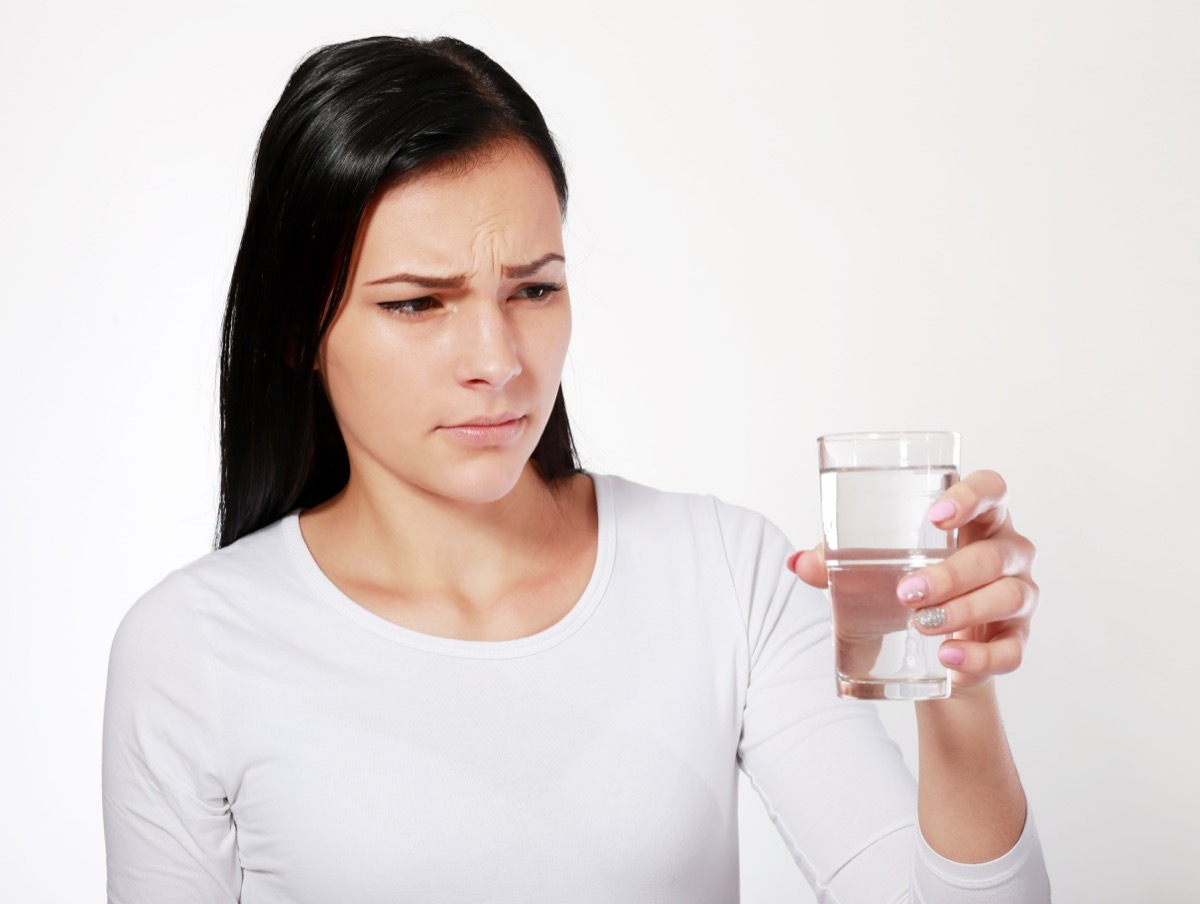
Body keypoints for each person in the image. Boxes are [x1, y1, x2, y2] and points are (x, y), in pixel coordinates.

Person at [101, 35, 1051, 903]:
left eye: (535, 289)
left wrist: (955, 683)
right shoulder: (193, 649)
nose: (499, 358)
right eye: (417, 304)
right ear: (302, 324)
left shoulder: (724, 572)